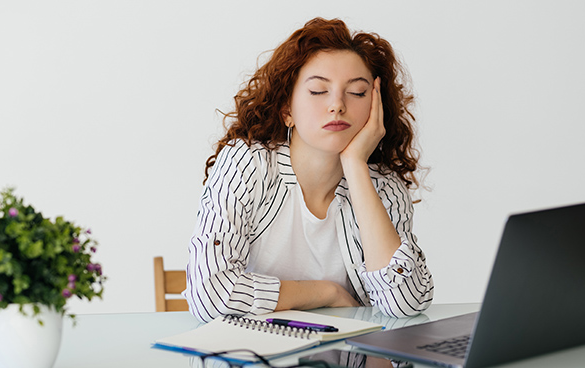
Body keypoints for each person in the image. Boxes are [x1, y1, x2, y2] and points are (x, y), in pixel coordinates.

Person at [183, 17, 433, 323]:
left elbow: (406, 305)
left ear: (376, 106)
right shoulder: (250, 165)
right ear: (287, 109)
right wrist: (326, 293)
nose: (337, 105)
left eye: (356, 92)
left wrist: (355, 165)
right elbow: (209, 296)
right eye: (318, 91)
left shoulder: (383, 188)